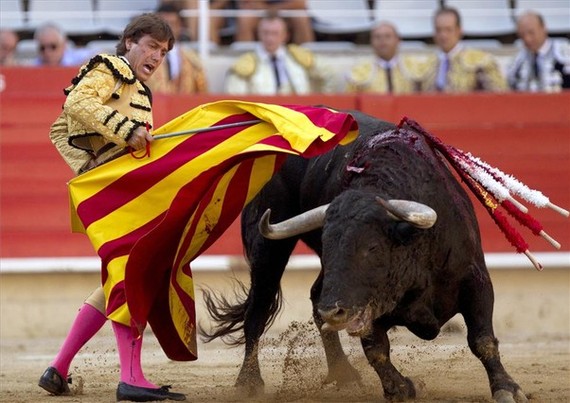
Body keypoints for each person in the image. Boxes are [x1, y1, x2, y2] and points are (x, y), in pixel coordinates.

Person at [38, 13, 186, 402]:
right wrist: (114, 146)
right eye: (151, 46)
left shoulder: (140, 90)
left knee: (118, 280)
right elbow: (77, 102)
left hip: (125, 189)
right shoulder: (112, 68)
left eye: (163, 51)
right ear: (130, 42)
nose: (157, 56)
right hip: (117, 191)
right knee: (132, 274)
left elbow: (59, 128)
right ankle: (131, 377)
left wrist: (94, 163)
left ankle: (58, 368)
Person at [224, 13, 334, 95]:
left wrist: (321, 107)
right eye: (265, 33)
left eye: (275, 33)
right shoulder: (246, 63)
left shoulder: (298, 57)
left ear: (285, 35)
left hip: (298, 114)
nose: (270, 38)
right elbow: (234, 96)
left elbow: (329, 75)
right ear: (258, 34)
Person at [421, 7, 508, 93]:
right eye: (438, 30)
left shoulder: (482, 61)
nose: (443, 35)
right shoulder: (426, 65)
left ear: (459, 30)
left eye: (448, 30)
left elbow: (498, 94)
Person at [344, 21, 427, 94]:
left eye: (387, 36)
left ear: (398, 40)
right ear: (371, 42)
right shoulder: (359, 70)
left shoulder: (415, 67)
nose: (382, 40)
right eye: (377, 37)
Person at [147, 2, 208, 94]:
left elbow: (202, 92)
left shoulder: (192, 59)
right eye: (163, 25)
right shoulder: (144, 57)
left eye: (172, 24)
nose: (167, 30)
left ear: (180, 26)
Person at [507, 10, 570, 92]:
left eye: (531, 33)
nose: (527, 39)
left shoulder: (564, 52)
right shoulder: (516, 62)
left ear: (543, 28)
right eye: (522, 35)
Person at [234, 0, 315, 45]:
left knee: (301, 18)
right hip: (259, 11)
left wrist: (272, 8)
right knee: (245, 19)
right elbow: (247, 3)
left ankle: (306, 58)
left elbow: (300, 3)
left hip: (286, 11)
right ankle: (245, 62)